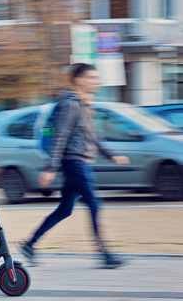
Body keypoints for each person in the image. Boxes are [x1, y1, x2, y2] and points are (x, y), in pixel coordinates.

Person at [18, 63, 130, 269]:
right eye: (92, 78)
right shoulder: (70, 104)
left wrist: (112, 155)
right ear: (79, 80)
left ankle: (29, 244)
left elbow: (92, 135)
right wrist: (49, 168)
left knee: (65, 209)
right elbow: (60, 136)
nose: (97, 82)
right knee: (95, 204)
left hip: (78, 161)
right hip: (74, 162)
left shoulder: (83, 103)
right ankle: (105, 254)